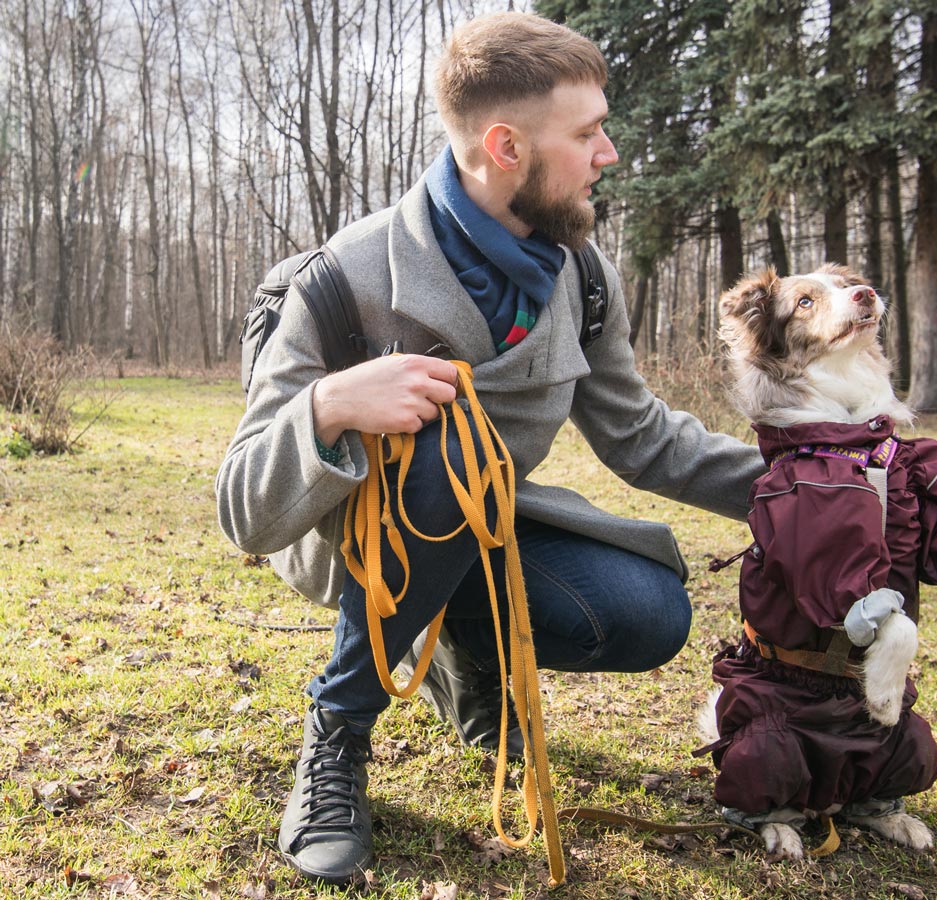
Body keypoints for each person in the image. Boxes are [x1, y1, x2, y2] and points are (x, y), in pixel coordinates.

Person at [216, 11, 763, 885]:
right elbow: (244, 509)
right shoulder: (341, 279)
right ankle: (337, 730)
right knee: (449, 453)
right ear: (506, 146)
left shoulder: (580, 275)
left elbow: (642, 437)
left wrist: (805, 487)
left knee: (652, 609)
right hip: (358, 547)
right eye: (587, 133)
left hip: (483, 530)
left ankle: (463, 653)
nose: (607, 152)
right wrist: (330, 405)